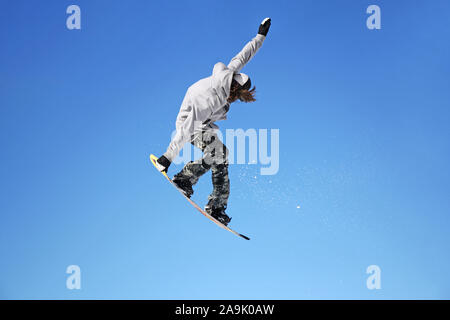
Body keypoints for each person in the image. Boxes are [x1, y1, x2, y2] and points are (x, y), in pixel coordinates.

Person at [154, 18, 272, 226]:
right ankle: (184, 179)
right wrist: (167, 157)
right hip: (188, 125)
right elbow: (187, 127)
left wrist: (260, 36)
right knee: (218, 153)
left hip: (202, 125)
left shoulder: (229, 76)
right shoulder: (208, 97)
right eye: (238, 97)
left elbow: (244, 55)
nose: (234, 101)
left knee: (221, 155)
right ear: (234, 90)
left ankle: (216, 205)